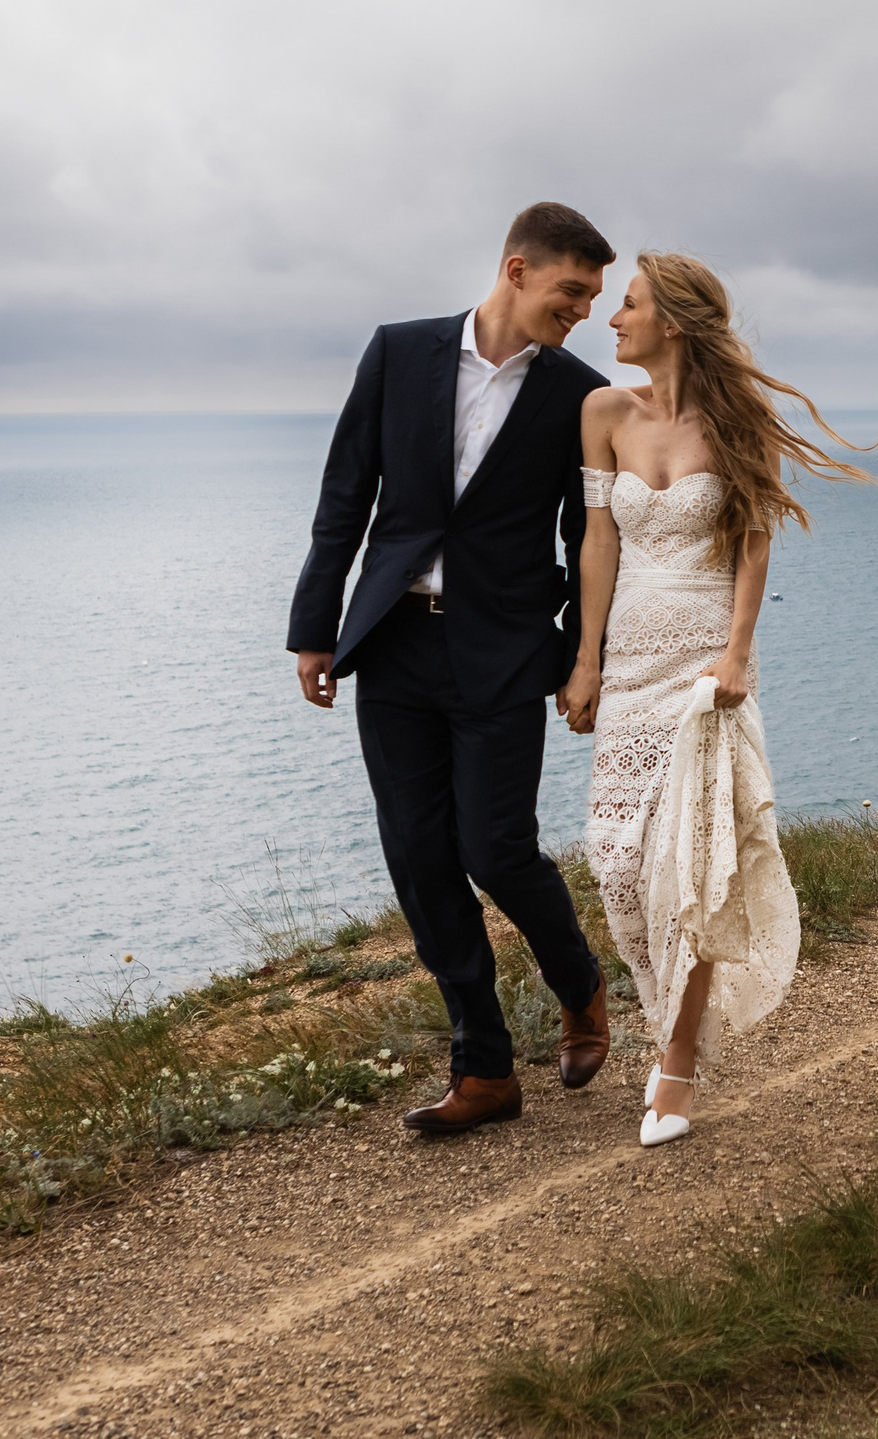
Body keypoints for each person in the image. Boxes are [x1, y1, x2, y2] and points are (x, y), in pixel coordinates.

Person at [286, 201, 617, 1135]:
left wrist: (578, 657)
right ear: (517, 270)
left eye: (593, 296)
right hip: (392, 643)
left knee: (495, 848)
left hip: (505, 652)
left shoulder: (580, 395)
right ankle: (485, 1071)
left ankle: (580, 984)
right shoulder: (398, 352)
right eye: (572, 290)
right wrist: (316, 629)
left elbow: (590, 536)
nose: (583, 310)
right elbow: (344, 494)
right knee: (420, 860)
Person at [558, 251, 871, 1147]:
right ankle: (668, 1022)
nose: (612, 320)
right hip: (628, 668)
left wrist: (736, 655)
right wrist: (586, 660)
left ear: (676, 322)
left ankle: (677, 1066)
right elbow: (597, 543)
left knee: (691, 866)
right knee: (618, 862)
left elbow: (753, 545)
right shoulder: (602, 412)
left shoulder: (737, 421)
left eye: (629, 305)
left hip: (704, 669)